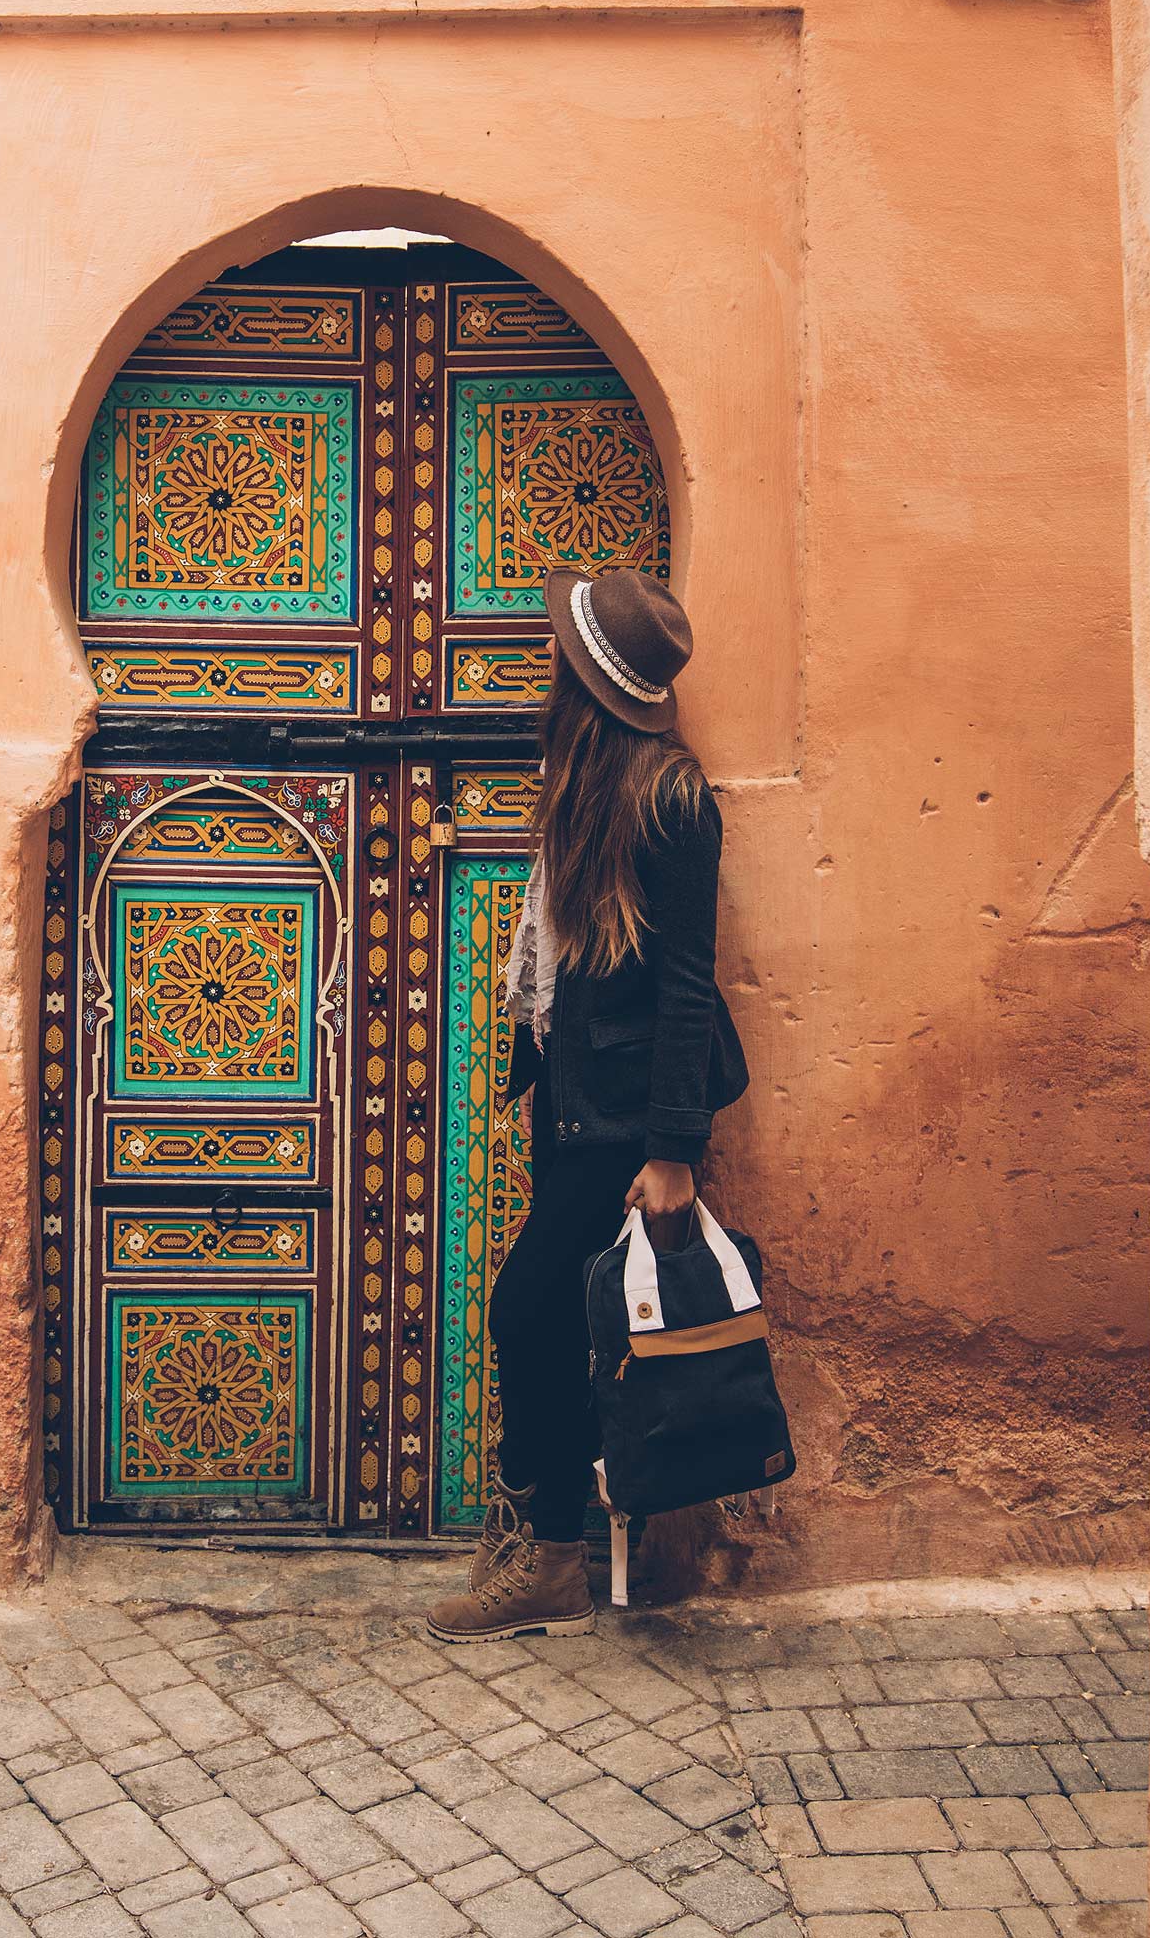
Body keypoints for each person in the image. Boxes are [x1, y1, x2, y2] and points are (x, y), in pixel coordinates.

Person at [427, 563, 749, 1641]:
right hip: (572, 1105)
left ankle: (551, 1554)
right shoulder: (581, 782)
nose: (543, 674)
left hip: (622, 1123)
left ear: (584, 680)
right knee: (563, 1321)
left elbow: (690, 981)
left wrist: (672, 1148)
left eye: (558, 660)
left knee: (525, 1311)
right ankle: (552, 1548)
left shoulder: (671, 797)